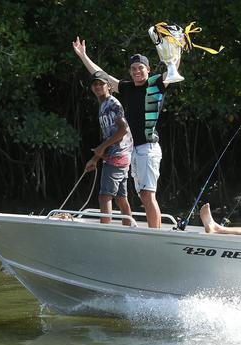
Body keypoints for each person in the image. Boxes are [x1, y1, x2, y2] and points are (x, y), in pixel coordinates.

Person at [73, 36, 176, 228]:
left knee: (147, 194)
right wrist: (83, 56)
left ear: (148, 70)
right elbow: (101, 74)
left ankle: (155, 237)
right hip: (134, 151)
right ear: (130, 71)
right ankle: (147, 233)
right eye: (133, 68)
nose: (137, 71)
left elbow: (173, 70)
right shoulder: (126, 88)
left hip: (149, 147)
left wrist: (175, 50)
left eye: (141, 68)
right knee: (142, 195)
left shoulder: (155, 85)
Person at [84, 70, 133, 226]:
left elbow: (123, 129)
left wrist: (101, 147)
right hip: (118, 155)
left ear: (109, 86)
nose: (98, 87)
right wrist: (95, 158)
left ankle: (104, 231)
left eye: (101, 84)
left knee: (104, 196)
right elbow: (108, 137)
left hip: (117, 155)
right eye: (95, 84)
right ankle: (128, 229)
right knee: (120, 197)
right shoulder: (103, 105)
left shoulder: (112, 103)